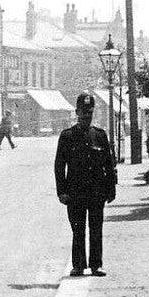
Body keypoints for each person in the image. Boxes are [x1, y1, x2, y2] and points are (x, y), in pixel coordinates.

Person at [54, 94, 117, 277]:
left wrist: (111, 189)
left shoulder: (100, 135)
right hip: (75, 192)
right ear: (77, 112)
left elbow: (108, 164)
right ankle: (79, 265)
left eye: (89, 113)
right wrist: (61, 191)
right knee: (78, 229)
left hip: (97, 191)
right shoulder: (67, 136)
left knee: (96, 229)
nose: (86, 116)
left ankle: (96, 265)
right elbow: (59, 166)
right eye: (83, 113)